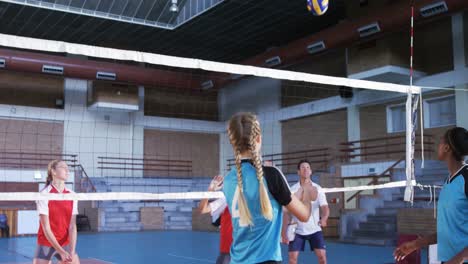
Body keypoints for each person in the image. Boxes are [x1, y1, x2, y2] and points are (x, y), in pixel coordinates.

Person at [223, 112, 318, 264]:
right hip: (267, 260)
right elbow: (304, 215)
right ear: (259, 138)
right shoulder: (271, 175)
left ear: (233, 142)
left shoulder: (227, 180)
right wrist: (305, 189)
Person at [394, 127, 468, 264]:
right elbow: (449, 232)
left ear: (446, 148)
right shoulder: (448, 182)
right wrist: (415, 245)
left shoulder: (466, 178)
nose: (437, 147)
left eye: (440, 142)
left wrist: (459, 258)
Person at [282, 159, 329, 264]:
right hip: (297, 231)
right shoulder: (293, 190)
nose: (306, 170)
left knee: (322, 258)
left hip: (315, 229)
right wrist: (284, 231)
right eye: (303, 167)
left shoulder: (318, 188)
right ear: (298, 172)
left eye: (308, 167)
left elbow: (325, 207)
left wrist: (324, 219)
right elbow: (286, 212)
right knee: (292, 259)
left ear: (311, 171)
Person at [33, 160, 80, 264]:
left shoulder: (72, 195)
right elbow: (46, 227)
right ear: (53, 172)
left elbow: (72, 226)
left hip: (65, 242)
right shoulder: (44, 195)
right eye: (63, 167)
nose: (67, 170)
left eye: (68, 168)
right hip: (46, 242)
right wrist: (61, 251)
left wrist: (71, 251)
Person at [198, 175, 232, 264]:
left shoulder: (252, 198)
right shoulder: (226, 199)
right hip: (228, 253)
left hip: (246, 252)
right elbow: (203, 209)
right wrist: (211, 190)